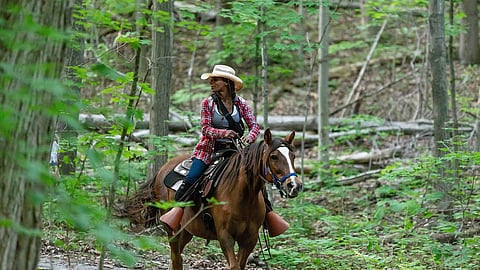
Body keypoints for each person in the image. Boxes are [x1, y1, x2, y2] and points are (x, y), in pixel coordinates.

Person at [160, 65, 289, 236]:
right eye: (211, 80)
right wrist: (224, 133)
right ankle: (177, 212)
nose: (212, 83)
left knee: (255, 180)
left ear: (227, 83)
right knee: (192, 177)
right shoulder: (208, 103)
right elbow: (205, 129)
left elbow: (254, 126)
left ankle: (267, 215)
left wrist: (248, 139)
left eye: (216, 80)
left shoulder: (241, 103)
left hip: (235, 151)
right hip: (208, 150)